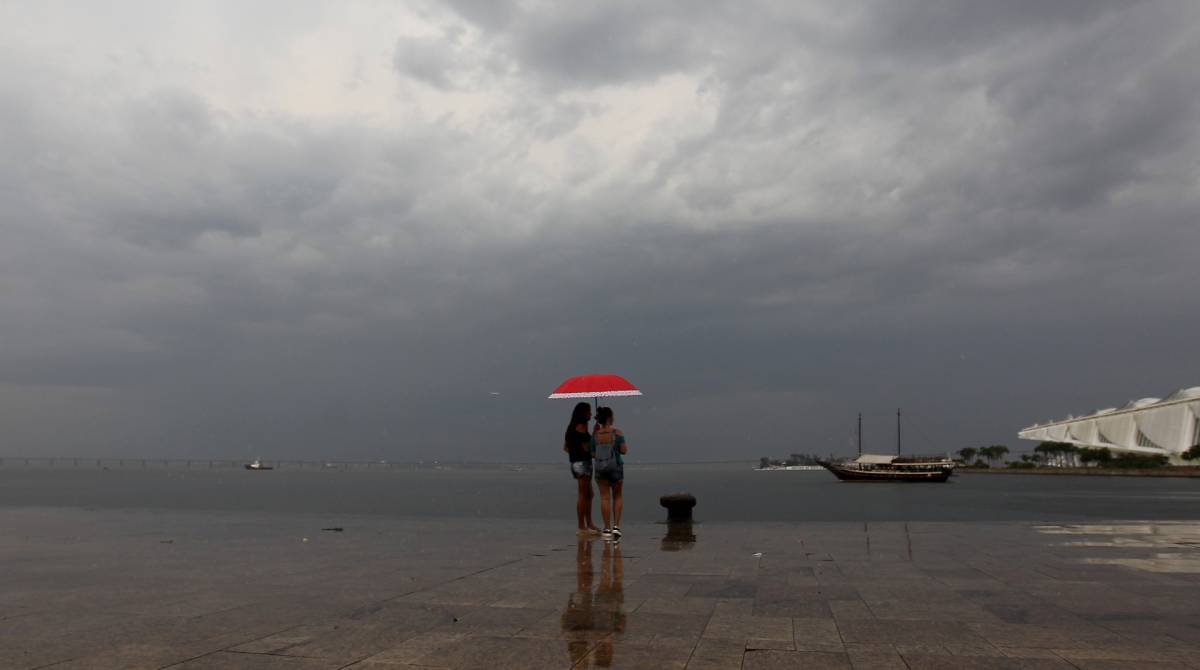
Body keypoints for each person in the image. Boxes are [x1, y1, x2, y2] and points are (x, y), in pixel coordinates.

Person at [591, 406, 627, 540]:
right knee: (617, 496)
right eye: (612, 415)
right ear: (608, 418)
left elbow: (593, 454)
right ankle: (616, 527)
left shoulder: (595, 435)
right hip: (615, 467)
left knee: (604, 498)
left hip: (600, 469)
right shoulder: (617, 433)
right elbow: (624, 450)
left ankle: (606, 529)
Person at [564, 401, 599, 535]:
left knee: (589, 493)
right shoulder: (582, 427)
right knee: (584, 494)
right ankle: (582, 526)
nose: (591, 414)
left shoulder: (570, 427)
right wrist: (595, 434)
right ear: (583, 413)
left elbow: (566, 448)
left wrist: (575, 453)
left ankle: (588, 523)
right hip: (583, 463)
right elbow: (588, 448)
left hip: (575, 463)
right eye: (589, 412)